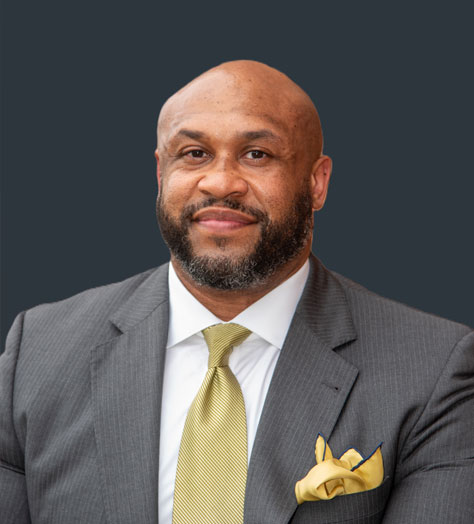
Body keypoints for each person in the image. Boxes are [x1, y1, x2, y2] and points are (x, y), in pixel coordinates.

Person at [0, 60, 473, 524]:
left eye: (257, 155)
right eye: (194, 154)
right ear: (161, 175)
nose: (221, 182)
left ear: (316, 182)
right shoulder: (38, 351)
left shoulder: (433, 370)